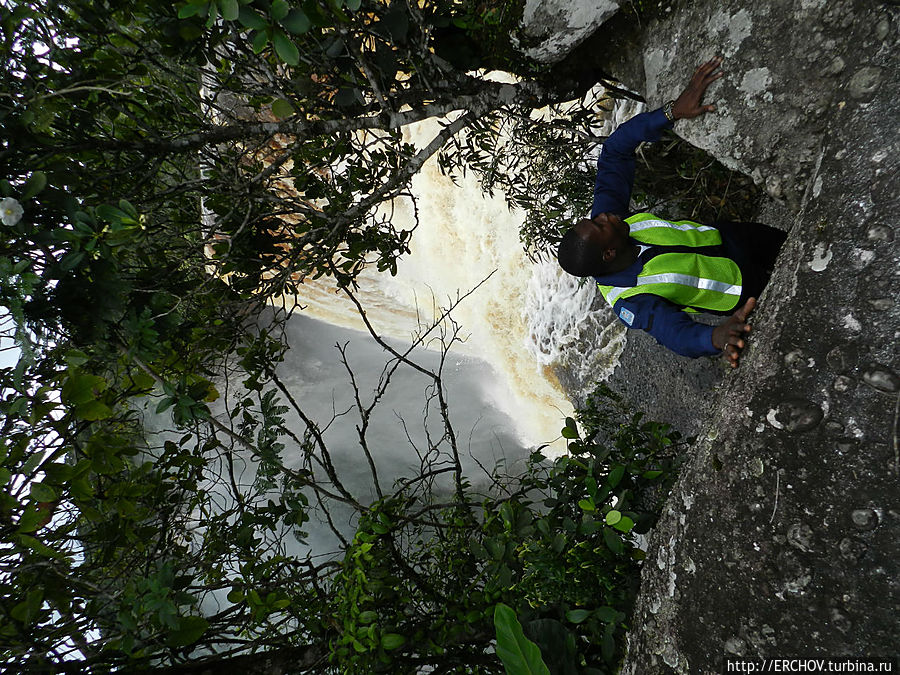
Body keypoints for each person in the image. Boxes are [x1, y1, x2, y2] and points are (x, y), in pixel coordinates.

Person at [556, 56, 786, 368]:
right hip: (742, 288)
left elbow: (614, 152)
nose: (605, 215)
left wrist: (672, 111)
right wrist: (715, 338)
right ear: (609, 253)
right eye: (600, 224)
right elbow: (673, 333)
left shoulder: (610, 225)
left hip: (736, 237)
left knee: (795, 245)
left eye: (596, 218)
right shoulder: (630, 299)